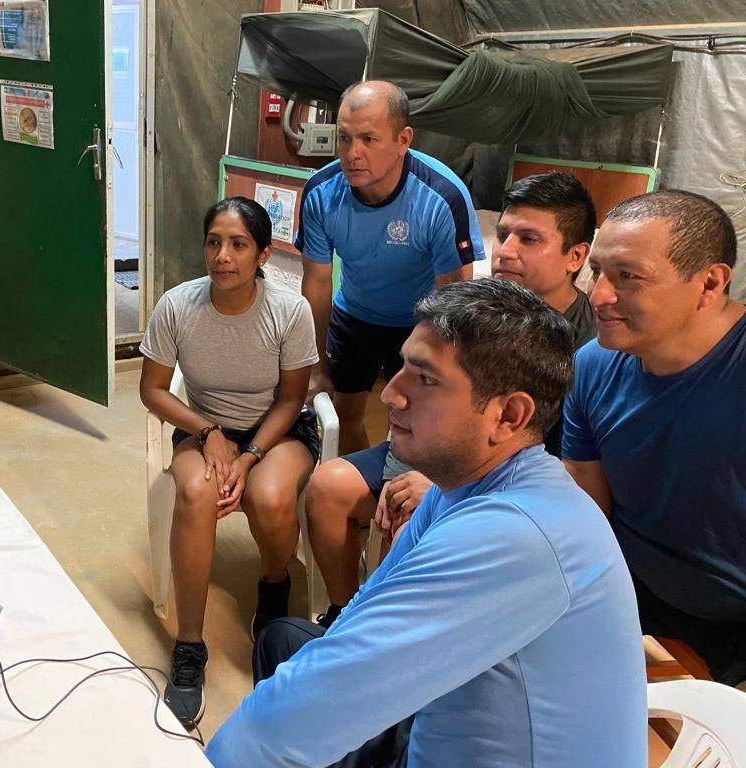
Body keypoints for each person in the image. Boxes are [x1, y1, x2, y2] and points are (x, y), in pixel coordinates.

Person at [206, 280, 647, 768]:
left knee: (289, 711)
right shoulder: (457, 486)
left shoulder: (517, 535)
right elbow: (362, 617)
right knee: (287, 645)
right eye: (401, 368)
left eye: (425, 378)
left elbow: (296, 718)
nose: (391, 394)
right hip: (436, 730)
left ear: (508, 415)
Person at [305, 171, 598, 625]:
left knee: (413, 526)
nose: (506, 251)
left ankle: (389, 637)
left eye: (529, 239)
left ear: (575, 256)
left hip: (499, 484)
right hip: (437, 449)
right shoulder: (478, 310)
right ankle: (344, 615)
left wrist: (446, 488)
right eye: (503, 234)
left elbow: (562, 470)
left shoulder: (587, 351)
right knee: (326, 489)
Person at [139, 197, 320, 729]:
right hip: (206, 425)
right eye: (214, 242)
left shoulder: (289, 310)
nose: (223, 256)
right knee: (195, 491)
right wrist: (209, 431)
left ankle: (273, 585)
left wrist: (251, 455)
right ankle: (189, 649)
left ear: (263, 254)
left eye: (239, 244)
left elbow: (291, 400)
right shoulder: (177, 305)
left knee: (267, 494)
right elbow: (152, 390)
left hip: (276, 429)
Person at [563, 189, 746, 687]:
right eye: (597, 271)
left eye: (628, 277)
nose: (598, 294)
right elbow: (585, 504)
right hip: (628, 592)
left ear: (709, 283)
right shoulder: (593, 366)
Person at [297, 80, 484, 456]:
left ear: (403, 140)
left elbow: (452, 298)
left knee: (420, 421)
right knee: (346, 414)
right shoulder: (320, 192)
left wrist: (442, 365)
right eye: (344, 138)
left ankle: (408, 505)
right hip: (354, 317)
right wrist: (315, 364)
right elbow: (316, 282)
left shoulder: (441, 197)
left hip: (420, 324)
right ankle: (355, 501)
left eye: (369, 139)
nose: (353, 154)